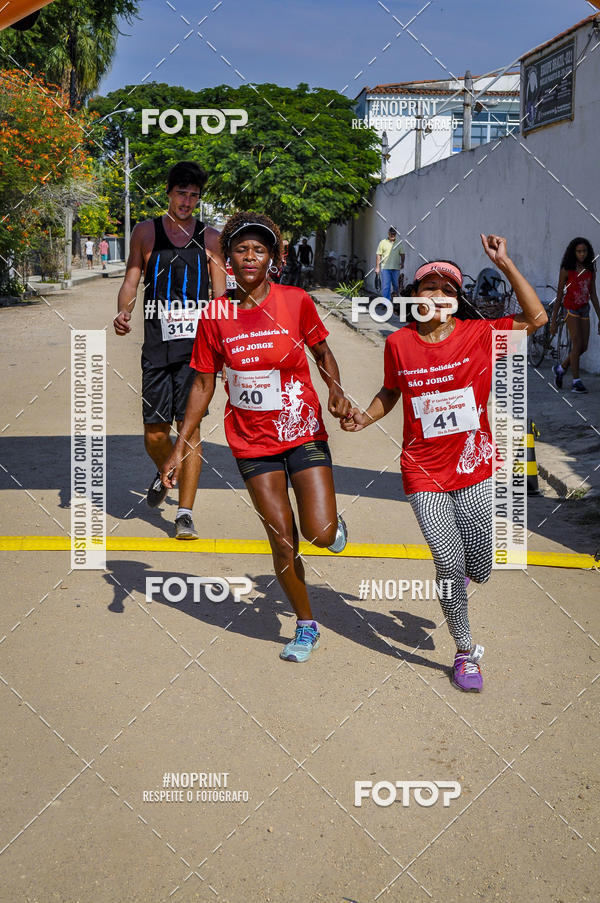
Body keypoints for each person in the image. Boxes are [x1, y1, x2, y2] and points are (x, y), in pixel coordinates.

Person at [342, 235, 547, 692]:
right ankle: (464, 649)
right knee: (447, 562)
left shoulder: (481, 335)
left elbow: (537, 318)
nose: (436, 296)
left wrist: (506, 262)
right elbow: (391, 392)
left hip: (473, 466)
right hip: (421, 471)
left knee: (480, 566)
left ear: (457, 302)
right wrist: (364, 416)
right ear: (414, 298)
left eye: (447, 290)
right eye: (428, 289)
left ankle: (473, 575)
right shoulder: (398, 344)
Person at [161, 211, 350, 663]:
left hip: (301, 430)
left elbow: (322, 352)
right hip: (251, 442)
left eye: (259, 250)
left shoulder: (295, 301)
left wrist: (336, 391)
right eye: (241, 249)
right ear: (228, 259)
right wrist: (180, 444)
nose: (249, 256)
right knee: (282, 540)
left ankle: (332, 526)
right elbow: (204, 384)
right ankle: (306, 625)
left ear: (274, 258)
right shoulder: (215, 315)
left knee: (319, 534)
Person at [113, 161, 227, 539]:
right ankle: (167, 471)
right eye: (182, 193)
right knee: (156, 434)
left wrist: (225, 344)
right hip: (157, 348)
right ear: (168, 193)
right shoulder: (146, 233)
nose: (188, 201)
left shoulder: (210, 239)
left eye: (194, 195)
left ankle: (185, 513)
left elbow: (221, 295)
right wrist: (124, 310)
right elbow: (132, 278)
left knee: (189, 430)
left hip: (198, 351)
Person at [551, 237, 600, 394]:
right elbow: (559, 296)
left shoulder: (590, 269)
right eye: (579, 251)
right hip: (570, 309)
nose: (582, 254)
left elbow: (593, 294)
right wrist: (553, 322)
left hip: (584, 308)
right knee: (577, 343)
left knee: (583, 347)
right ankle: (576, 382)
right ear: (573, 252)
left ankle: (561, 368)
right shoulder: (567, 269)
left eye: (584, 251)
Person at [375, 226, 405, 301]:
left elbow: (402, 254)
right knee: (386, 286)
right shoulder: (382, 242)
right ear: (388, 233)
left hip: (396, 268)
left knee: (396, 285)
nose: (392, 235)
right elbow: (378, 254)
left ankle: (396, 301)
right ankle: (386, 303)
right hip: (385, 268)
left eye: (394, 234)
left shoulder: (399, 243)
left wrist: (402, 263)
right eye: (391, 234)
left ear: (396, 234)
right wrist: (377, 267)